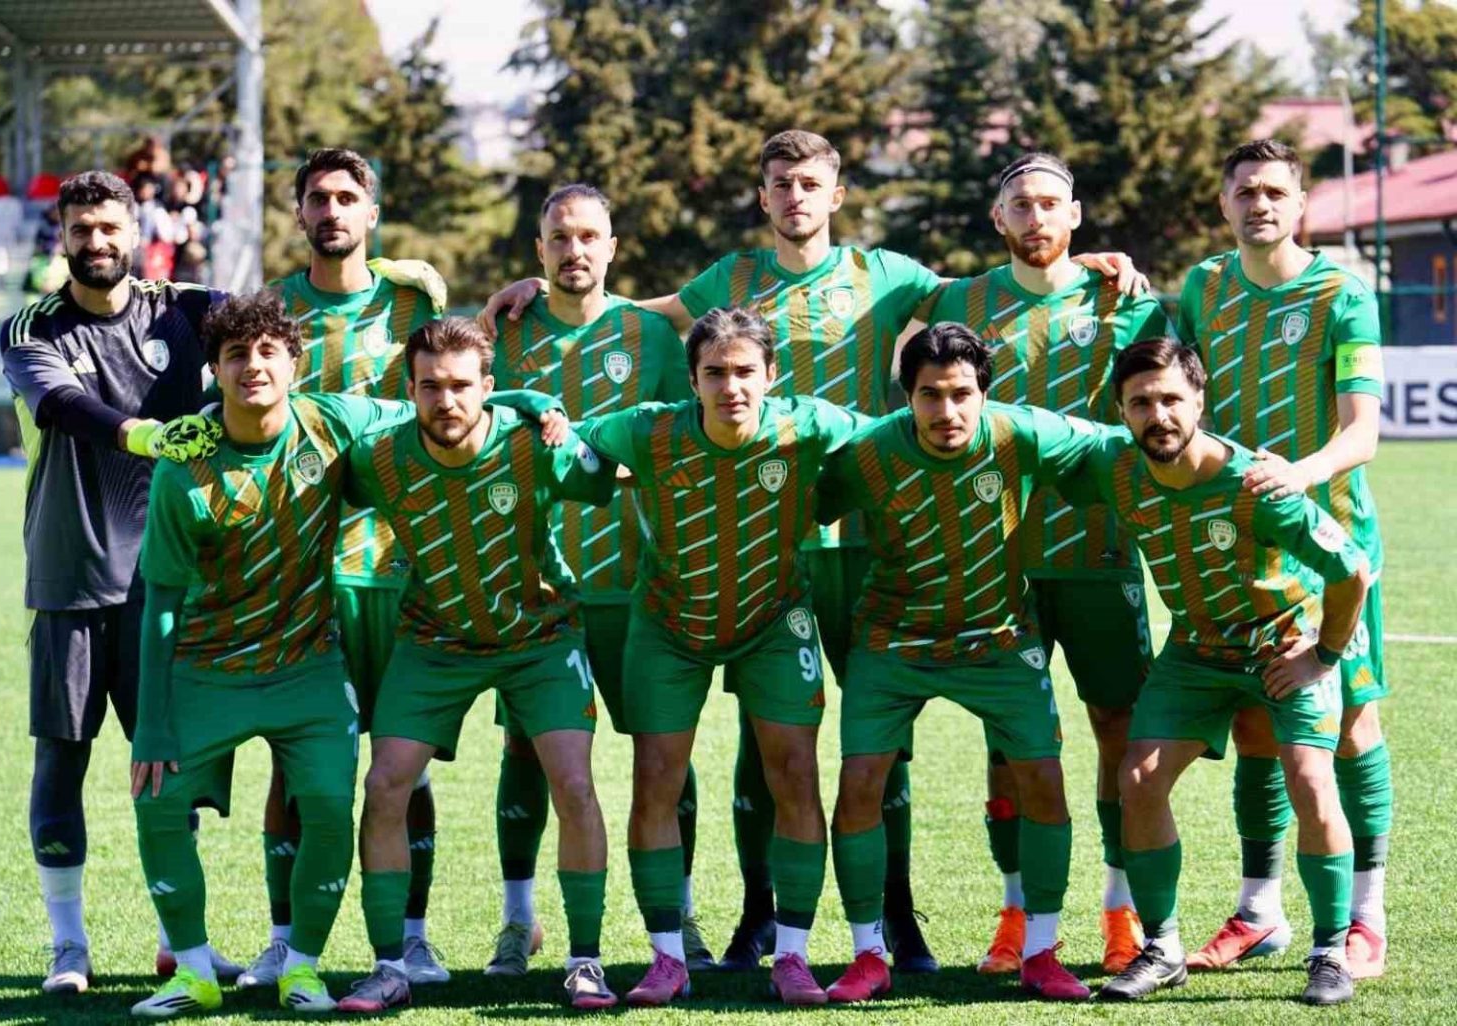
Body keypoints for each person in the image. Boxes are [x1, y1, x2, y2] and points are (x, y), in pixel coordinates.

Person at [480, 129, 1149, 973]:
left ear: (835, 195)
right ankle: (760, 916)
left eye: (810, 183)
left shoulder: (888, 274)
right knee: (766, 740)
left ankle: (896, 919)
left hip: (870, 538)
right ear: (763, 196)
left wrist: (1079, 263)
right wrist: (545, 286)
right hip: (774, 540)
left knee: (884, 743)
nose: (795, 196)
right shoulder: (730, 280)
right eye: (781, 183)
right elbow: (646, 313)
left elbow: (1002, 284)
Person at [128, 290, 412, 1017]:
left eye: (267, 352)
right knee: (157, 801)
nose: (252, 366)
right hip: (207, 667)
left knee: (328, 805)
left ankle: (302, 968)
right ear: (215, 371)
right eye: (235, 355)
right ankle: (193, 972)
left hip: (307, 664)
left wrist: (527, 400)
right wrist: (152, 726)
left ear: (294, 363)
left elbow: (443, 405)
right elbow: (161, 603)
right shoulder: (183, 468)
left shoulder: (331, 420)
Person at [572, 307, 861, 1007]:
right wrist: (530, 404)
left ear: (771, 375)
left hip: (775, 620)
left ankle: (792, 956)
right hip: (669, 625)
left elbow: (888, 439)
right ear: (693, 380)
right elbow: (569, 436)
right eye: (714, 373)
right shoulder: (647, 430)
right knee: (656, 780)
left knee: (795, 775)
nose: (731, 387)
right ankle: (668, 958)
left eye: (744, 372)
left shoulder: (809, 424)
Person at [926, 152, 1171, 975]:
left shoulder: (1128, 303)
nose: (1035, 217)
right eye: (1020, 205)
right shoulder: (958, 303)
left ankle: (1119, 909)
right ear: (997, 218)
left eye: (1049, 203)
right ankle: (1016, 913)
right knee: (1010, 742)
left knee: (1119, 732)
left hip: (1101, 552)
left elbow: (1166, 404)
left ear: (1075, 215)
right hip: (999, 560)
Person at [1074, 339, 1369, 1007]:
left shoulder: (1257, 485)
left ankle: (1329, 953)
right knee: (1137, 778)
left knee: (1310, 779)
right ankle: (1162, 949)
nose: (1158, 416)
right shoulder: (1119, 471)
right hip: (1197, 652)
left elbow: (1351, 569)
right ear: (1120, 411)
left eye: (1171, 399)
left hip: (1282, 645)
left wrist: (1322, 655)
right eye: (1141, 403)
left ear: (1199, 401)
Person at [335, 318, 618, 1013]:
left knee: (573, 783)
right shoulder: (380, 456)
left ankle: (585, 962)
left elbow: (605, 478)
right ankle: (389, 966)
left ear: (488, 387)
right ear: (409, 391)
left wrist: (539, 407)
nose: (447, 400)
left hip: (541, 637)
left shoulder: (532, 443)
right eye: (430, 386)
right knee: (384, 784)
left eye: (463, 386)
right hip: (434, 641)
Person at [0, 170, 234, 995]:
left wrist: (398, 275)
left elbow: (279, 328)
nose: (95, 242)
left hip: (165, 579)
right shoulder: (33, 326)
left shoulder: (191, 309)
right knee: (62, 758)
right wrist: (149, 437)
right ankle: (69, 947)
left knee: (169, 762)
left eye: (108, 228)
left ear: (136, 232)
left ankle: (180, 941)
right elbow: (63, 406)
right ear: (61, 237)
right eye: (80, 230)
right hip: (70, 576)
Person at [819, 323, 1102, 1004]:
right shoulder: (869, 451)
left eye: (961, 393)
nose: (947, 410)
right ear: (906, 397)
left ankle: (1041, 951)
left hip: (997, 641)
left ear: (984, 394)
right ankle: (867, 955)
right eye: (929, 395)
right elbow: (802, 502)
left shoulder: (1019, 433)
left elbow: (1115, 446)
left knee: (1043, 780)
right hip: (893, 641)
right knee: (859, 785)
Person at [236, 147, 450, 992]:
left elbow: (462, 382)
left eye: (346, 197)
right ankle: (284, 940)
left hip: (399, 568)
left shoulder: (415, 306)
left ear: (372, 213)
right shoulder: (270, 310)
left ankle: (414, 939)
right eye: (317, 198)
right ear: (298, 214)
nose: (331, 211)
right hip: (299, 573)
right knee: (296, 768)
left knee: (407, 765)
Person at [1175, 139, 1391, 979]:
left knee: (1352, 723)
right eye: (1244, 191)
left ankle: (1366, 916)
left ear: (1301, 204)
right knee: (1255, 720)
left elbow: (1362, 433)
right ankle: (1259, 910)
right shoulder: (1202, 288)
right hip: (1239, 547)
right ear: (1223, 203)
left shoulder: (1343, 293)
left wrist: (1295, 476)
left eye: (1274, 191)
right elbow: (1165, 382)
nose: (1258, 204)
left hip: (1330, 539)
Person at [485, 182, 700, 973]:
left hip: (638, 587)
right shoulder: (505, 331)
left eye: (588, 237)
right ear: (538, 250)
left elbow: (685, 444)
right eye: (559, 237)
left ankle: (678, 917)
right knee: (524, 753)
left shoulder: (652, 336)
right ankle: (519, 920)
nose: (574, 250)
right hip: (536, 589)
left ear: (612, 247)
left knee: (664, 757)